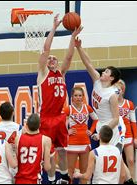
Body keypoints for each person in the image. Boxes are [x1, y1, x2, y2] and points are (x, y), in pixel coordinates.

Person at [75, 37, 135, 184]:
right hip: (104, 124)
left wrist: (103, 131)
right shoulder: (97, 80)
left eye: (106, 72)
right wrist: (79, 48)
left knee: (117, 160)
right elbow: (88, 63)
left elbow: (115, 118)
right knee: (115, 159)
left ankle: (128, 181)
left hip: (114, 127)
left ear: (111, 77)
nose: (103, 72)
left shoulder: (112, 95)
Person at [37, 13, 83, 183]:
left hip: (59, 118)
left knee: (62, 150)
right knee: (49, 153)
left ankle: (63, 177)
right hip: (46, 118)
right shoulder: (43, 73)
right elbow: (46, 49)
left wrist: (73, 37)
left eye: (54, 58)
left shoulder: (61, 74)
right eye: (49, 58)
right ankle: (50, 179)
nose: (52, 59)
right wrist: (54, 29)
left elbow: (69, 56)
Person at [63, 87, 99, 183]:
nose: (78, 97)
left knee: (84, 170)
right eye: (76, 95)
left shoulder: (87, 107)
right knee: (70, 170)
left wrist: (91, 130)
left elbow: (96, 119)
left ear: (83, 96)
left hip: (85, 143)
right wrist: (67, 131)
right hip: (72, 144)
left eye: (80, 95)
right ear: (72, 97)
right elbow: (59, 123)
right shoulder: (68, 109)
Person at [14, 113, 52, 184]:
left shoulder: (18, 138)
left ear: (26, 125)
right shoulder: (46, 140)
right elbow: (47, 167)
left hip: (19, 180)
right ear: (40, 125)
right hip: (34, 180)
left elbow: (16, 161)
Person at [116, 79, 137, 182]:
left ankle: (133, 180)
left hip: (128, 135)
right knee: (118, 163)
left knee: (130, 160)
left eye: (119, 89)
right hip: (116, 136)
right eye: (115, 89)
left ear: (123, 90)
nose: (117, 91)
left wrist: (135, 138)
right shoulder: (111, 103)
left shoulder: (129, 104)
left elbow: (133, 122)